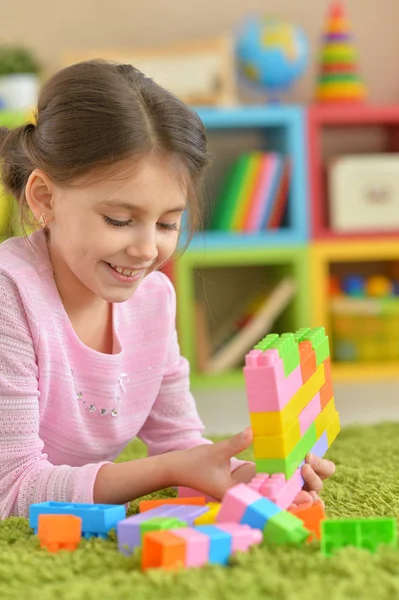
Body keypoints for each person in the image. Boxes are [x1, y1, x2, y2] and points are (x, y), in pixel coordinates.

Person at [0, 61, 334, 519]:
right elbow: (13, 491)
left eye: (167, 223)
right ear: (44, 198)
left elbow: (181, 442)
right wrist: (169, 469)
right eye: (118, 220)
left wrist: (252, 477)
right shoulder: (10, 295)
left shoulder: (153, 298)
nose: (145, 249)